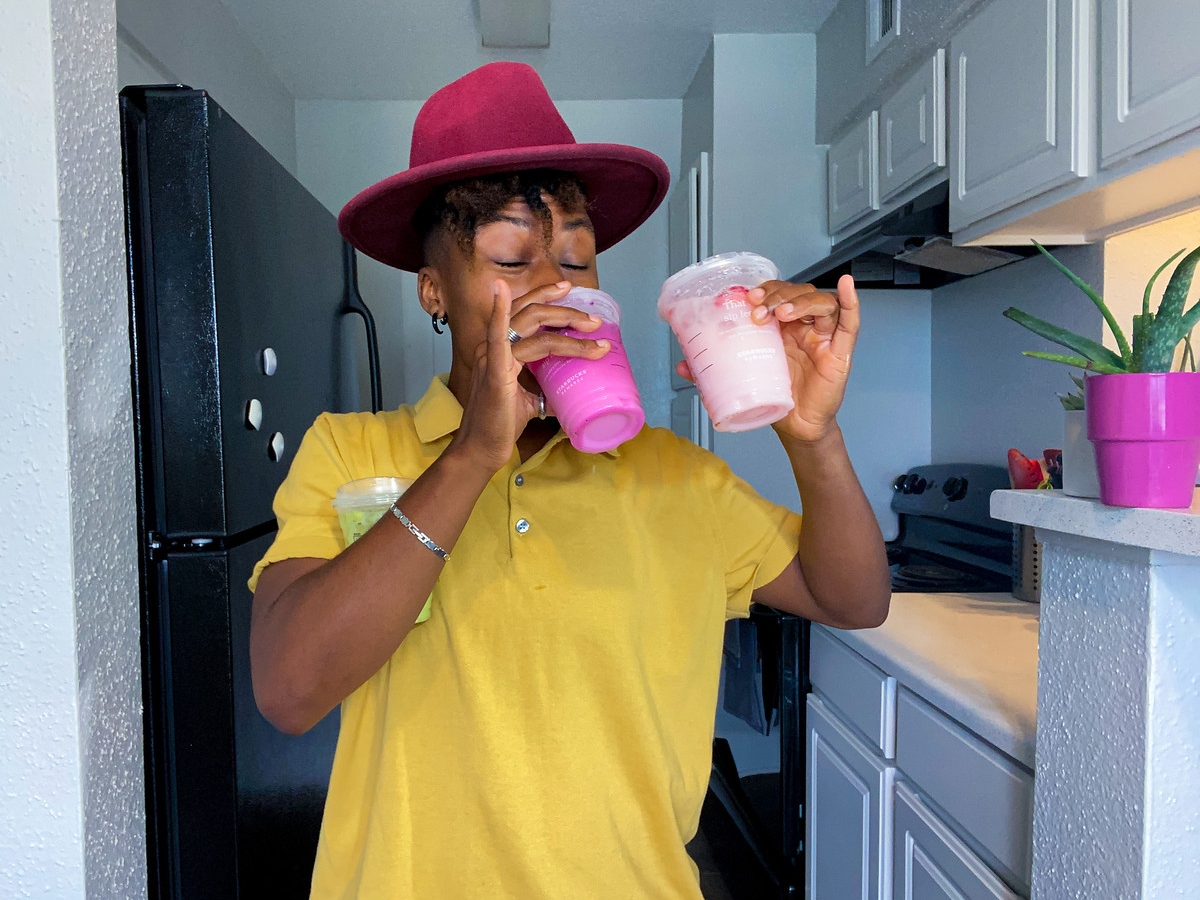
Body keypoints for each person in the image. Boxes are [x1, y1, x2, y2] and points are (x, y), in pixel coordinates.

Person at [248, 61, 890, 899]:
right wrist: (474, 454)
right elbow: (289, 690)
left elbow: (854, 599)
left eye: (578, 258)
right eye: (513, 257)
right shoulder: (349, 453)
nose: (558, 286)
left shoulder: (672, 477)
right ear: (433, 290)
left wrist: (813, 437)